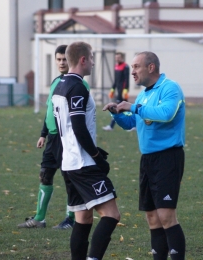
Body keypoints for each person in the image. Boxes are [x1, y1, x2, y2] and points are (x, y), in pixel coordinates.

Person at [103, 51, 186, 260]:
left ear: (151, 67)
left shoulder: (170, 88)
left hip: (168, 158)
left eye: (136, 67)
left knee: (166, 216)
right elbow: (132, 122)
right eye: (132, 67)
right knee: (152, 217)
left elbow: (166, 114)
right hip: (147, 160)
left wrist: (134, 107)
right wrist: (117, 113)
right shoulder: (143, 94)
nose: (132, 72)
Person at [52, 41, 120, 260]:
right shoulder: (77, 86)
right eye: (91, 58)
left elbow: (69, 129)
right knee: (111, 215)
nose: (92, 62)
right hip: (83, 163)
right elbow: (79, 128)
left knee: (83, 218)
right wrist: (97, 156)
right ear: (82, 60)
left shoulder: (60, 85)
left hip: (69, 163)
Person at [17, 45, 90, 229]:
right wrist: (43, 133)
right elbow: (51, 110)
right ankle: (39, 218)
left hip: (67, 139)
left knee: (70, 178)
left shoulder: (79, 83)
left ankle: (71, 220)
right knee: (45, 174)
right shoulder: (56, 82)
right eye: (58, 59)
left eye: (64, 59)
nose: (61, 62)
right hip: (52, 138)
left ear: (70, 60)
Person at [102, 52, 130, 131]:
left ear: (122, 58)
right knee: (125, 108)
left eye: (119, 57)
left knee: (117, 107)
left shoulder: (126, 66)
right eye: (116, 57)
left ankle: (111, 126)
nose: (117, 59)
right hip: (118, 91)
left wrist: (125, 90)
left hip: (122, 92)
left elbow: (126, 79)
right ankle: (133, 125)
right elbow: (116, 80)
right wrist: (112, 89)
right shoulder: (116, 66)